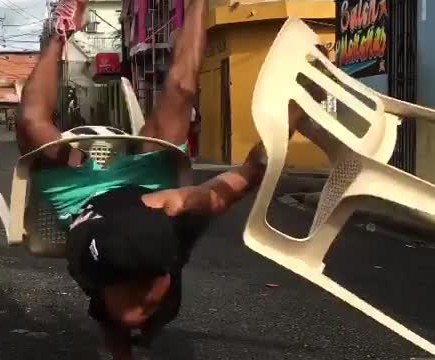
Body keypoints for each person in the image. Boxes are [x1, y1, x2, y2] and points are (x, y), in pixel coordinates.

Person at [16, 0, 324, 358]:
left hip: (80, 195)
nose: (136, 300)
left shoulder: (92, 264)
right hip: (150, 185)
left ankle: (59, 35)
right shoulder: (176, 211)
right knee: (180, 91)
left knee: (29, 123)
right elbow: (248, 172)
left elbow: (114, 316)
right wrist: (297, 109)